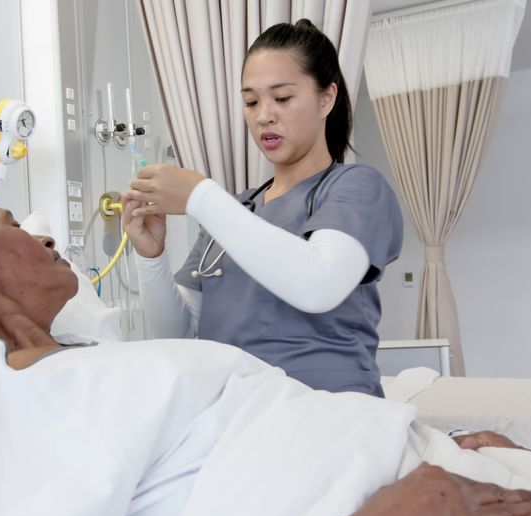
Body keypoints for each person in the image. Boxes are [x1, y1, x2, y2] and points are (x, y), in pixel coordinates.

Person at [0, 166, 531, 516]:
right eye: (9, 220)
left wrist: (411, 443)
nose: (40, 234)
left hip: (422, 476)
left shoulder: (78, 368)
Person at [121, 20, 403, 397]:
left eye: (282, 98)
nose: (263, 115)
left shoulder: (356, 188)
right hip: (238, 415)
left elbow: (318, 285)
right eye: (251, 101)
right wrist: (150, 257)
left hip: (329, 415)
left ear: (326, 98)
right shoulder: (238, 209)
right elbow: (180, 335)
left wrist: (200, 196)